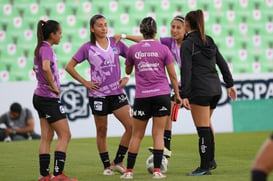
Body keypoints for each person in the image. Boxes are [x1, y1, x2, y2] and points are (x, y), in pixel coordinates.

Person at [65, 14, 132, 176]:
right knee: (102, 131)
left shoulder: (116, 43)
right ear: (92, 28)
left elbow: (133, 58)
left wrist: (127, 77)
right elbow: (69, 66)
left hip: (117, 93)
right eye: (100, 25)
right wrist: (85, 82)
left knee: (132, 127)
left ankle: (118, 161)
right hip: (98, 95)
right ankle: (106, 166)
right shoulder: (87, 47)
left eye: (105, 25)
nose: (104, 28)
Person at [114, 15, 185, 159]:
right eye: (172, 27)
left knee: (204, 123)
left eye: (178, 27)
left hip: (194, 84)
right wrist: (124, 36)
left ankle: (208, 156)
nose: (174, 30)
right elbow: (147, 41)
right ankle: (166, 147)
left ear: (185, 29)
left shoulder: (190, 42)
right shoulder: (169, 43)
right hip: (180, 84)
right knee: (171, 110)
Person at [180, 9, 237, 176]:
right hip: (215, 89)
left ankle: (204, 167)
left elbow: (187, 71)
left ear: (187, 24)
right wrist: (230, 84)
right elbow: (221, 62)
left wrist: (184, 94)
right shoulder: (209, 40)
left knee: (202, 128)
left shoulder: (187, 44)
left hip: (200, 90)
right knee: (206, 125)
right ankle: (210, 160)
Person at [32, 20, 77, 181]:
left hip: (39, 96)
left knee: (46, 137)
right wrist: (54, 86)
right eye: (59, 33)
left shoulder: (40, 48)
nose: (61, 35)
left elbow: (35, 68)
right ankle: (58, 175)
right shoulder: (47, 49)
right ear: (52, 34)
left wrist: (44, 82)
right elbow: (45, 67)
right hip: (48, 98)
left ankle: (45, 176)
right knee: (65, 135)